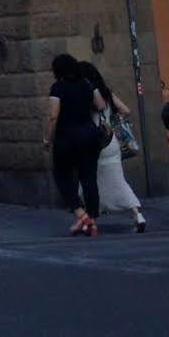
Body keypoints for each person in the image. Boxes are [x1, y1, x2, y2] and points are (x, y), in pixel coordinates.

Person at [75, 58, 145, 232]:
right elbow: (126, 110)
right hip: (110, 141)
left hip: (93, 143)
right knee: (118, 181)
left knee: (86, 185)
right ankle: (137, 214)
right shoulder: (107, 93)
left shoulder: (86, 94)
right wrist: (112, 119)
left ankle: (89, 220)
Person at [45, 54, 109, 238]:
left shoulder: (58, 87)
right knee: (89, 178)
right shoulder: (87, 84)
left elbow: (53, 116)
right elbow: (101, 105)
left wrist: (47, 139)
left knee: (62, 177)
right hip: (89, 136)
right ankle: (92, 221)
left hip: (67, 138)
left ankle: (81, 215)